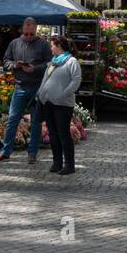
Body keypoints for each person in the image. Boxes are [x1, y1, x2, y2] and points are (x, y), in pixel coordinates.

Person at [0, 18, 52, 163]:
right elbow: (5, 61)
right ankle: (6, 151)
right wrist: (15, 65)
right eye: (26, 34)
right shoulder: (15, 43)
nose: (28, 36)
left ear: (36, 30)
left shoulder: (43, 45)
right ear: (22, 30)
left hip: (37, 87)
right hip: (20, 86)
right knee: (12, 119)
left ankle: (32, 153)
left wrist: (36, 68)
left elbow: (51, 64)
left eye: (31, 34)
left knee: (36, 122)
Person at [36, 35, 82, 175]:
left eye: (52, 45)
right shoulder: (53, 62)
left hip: (63, 104)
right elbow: (45, 80)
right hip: (48, 103)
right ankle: (57, 162)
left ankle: (69, 164)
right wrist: (40, 94)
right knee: (53, 134)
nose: (50, 48)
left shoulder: (72, 61)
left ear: (59, 46)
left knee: (63, 134)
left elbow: (76, 81)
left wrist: (63, 94)